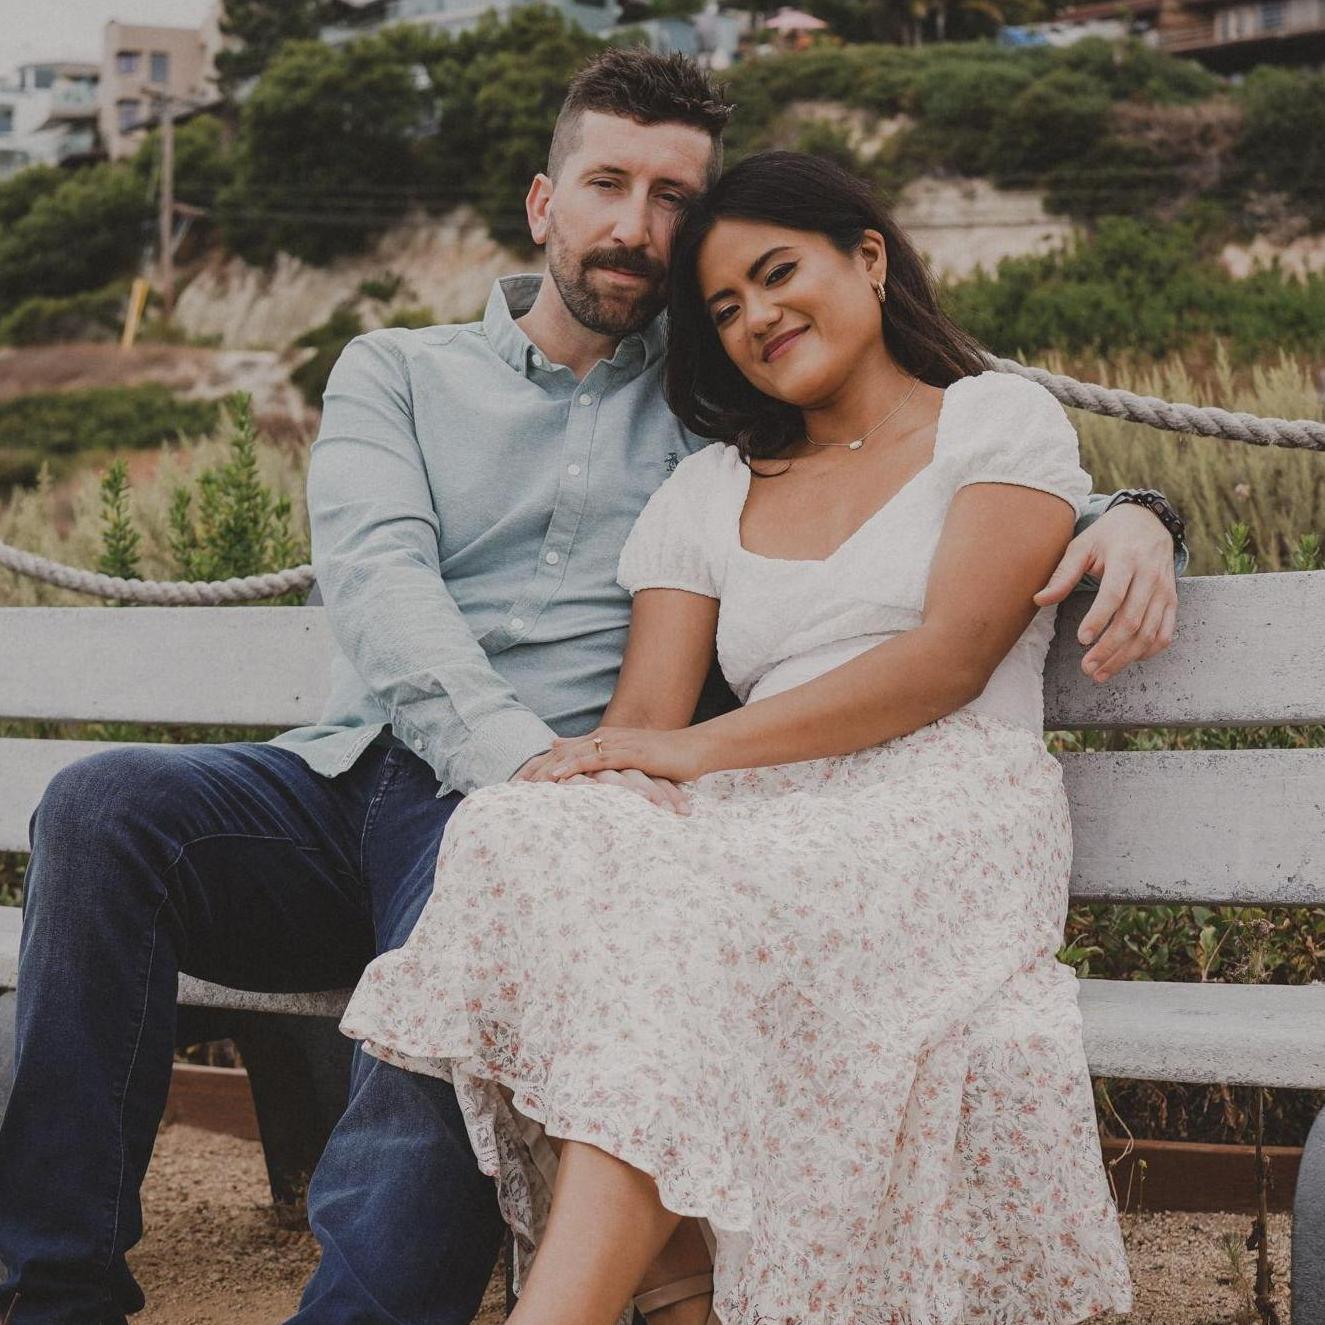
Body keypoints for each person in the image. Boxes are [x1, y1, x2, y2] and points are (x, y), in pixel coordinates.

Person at [0, 52, 1181, 1325]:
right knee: (105, 807)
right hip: (379, 769)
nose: (635, 225)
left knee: (500, 866)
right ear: (541, 201)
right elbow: (381, 586)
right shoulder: (395, 371)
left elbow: (922, 472)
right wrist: (523, 765)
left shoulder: (714, 404)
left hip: (564, 806)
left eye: (673, 198)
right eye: (607, 184)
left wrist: (1134, 511)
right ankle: (54, 1287)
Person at [340, 149, 1145, 1325]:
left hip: (944, 807)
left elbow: (948, 657)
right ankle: (673, 1298)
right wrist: (600, 788)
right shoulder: (709, 489)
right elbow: (642, 728)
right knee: (523, 835)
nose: (756, 318)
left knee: (675, 923)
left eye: (776, 275)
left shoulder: (992, 419)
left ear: (866, 259)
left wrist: (1143, 516)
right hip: (764, 812)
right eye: (722, 308)